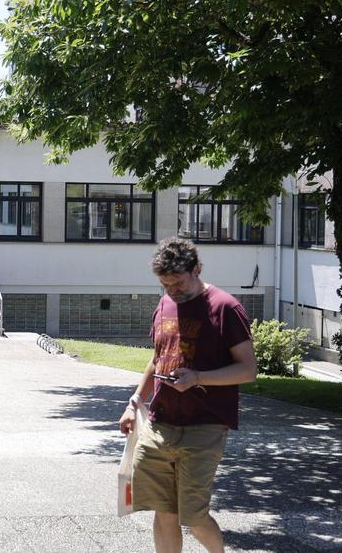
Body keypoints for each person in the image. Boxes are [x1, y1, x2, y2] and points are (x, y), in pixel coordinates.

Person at [118, 236, 258, 553]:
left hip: (205, 427)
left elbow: (248, 370)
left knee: (193, 517)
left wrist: (198, 378)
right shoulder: (165, 305)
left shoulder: (225, 307)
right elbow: (157, 359)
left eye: (178, 282)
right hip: (160, 424)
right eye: (165, 284)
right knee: (163, 510)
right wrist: (134, 402)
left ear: (196, 269)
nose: (172, 291)